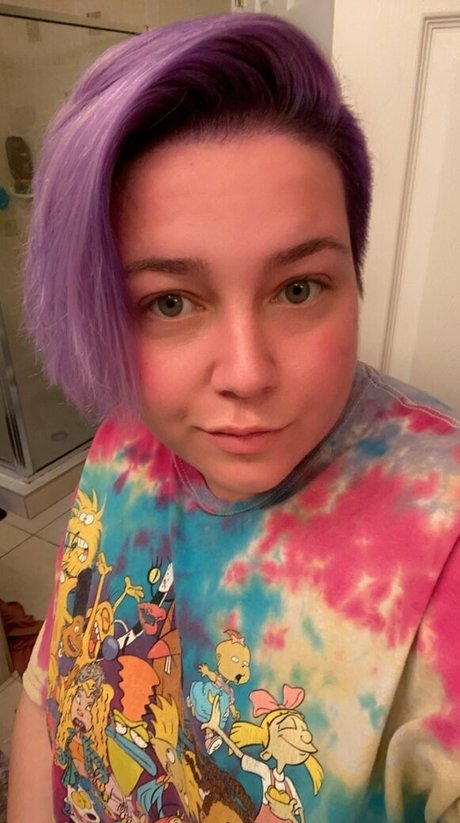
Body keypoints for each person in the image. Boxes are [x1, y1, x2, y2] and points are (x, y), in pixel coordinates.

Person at [7, 11, 460, 823]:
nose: (247, 373)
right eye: (170, 302)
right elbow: (50, 692)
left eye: (298, 288)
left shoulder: (442, 547)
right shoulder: (126, 438)